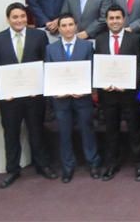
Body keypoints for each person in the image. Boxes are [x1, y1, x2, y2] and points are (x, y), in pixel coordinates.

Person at [0, 2, 55, 188]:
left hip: (34, 97)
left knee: (37, 132)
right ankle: (12, 169)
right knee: (11, 134)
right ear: (8, 19)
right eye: (15, 17)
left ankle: (42, 165)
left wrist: (40, 88)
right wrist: (2, 92)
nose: (19, 20)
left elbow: (45, 64)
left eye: (23, 16)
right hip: (9, 99)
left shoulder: (39, 36)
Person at [44, 13, 101, 183]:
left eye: (70, 25)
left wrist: (86, 89)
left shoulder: (87, 46)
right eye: (64, 26)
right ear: (59, 28)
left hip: (82, 98)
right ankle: (68, 167)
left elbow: (93, 70)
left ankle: (93, 163)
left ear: (76, 26)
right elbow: (49, 74)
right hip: (61, 100)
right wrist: (55, 92)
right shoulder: (50, 49)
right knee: (64, 134)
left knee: (87, 131)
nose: (68, 29)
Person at [94, 4, 140, 181]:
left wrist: (129, 82)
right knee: (111, 130)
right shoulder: (100, 39)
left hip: (129, 93)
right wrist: (101, 83)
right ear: (106, 20)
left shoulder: (135, 39)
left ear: (124, 19)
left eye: (118, 18)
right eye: (111, 18)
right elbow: (98, 65)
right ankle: (112, 164)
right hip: (108, 94)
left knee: (135, 129)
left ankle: (139, 164)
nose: (115, 21)